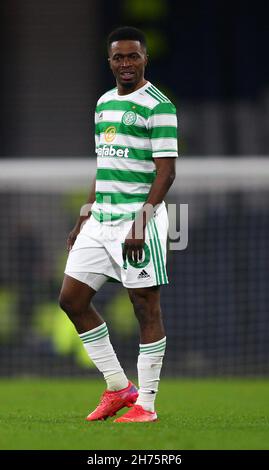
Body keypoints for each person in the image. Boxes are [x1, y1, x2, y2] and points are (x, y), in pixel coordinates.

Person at [59, 26, 178, 423]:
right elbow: (104, 164)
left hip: (137, 219)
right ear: (109, 61)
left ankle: (146, 404)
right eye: (118, 57)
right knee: (72, 300)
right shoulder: (104, 102)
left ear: (145, 58)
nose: (126, 63)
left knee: (145, 307)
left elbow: (166, 171)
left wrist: (142, 221)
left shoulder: (158, 106)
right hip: (101, 219)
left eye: (133, 56)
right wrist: (84, 213)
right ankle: (117, 387)